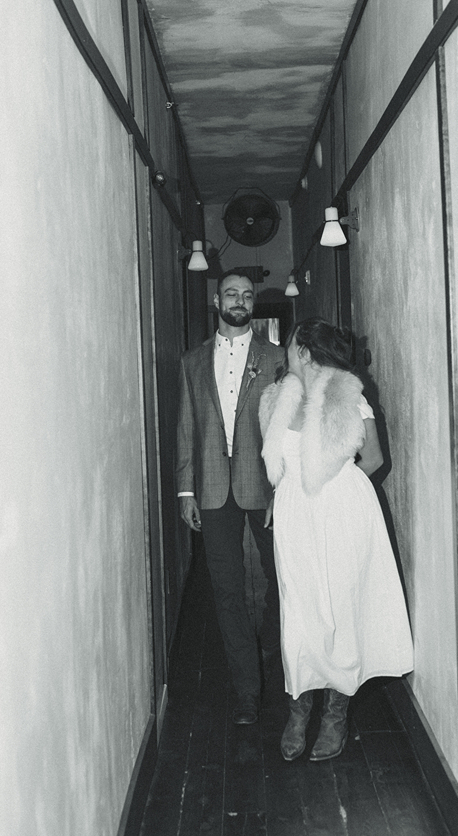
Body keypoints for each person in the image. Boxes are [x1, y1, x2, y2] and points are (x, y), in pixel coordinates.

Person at [259, 317, 414, 761]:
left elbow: (375, 459)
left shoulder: (349, 397)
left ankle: (336, 715)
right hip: (294, 520)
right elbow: (285, 466)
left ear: (305, 352)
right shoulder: (278, 399)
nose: (287, 353)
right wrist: (284, 495)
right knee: (299, 608)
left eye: (291, 346)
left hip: (343, 516)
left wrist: (332, 489)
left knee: (340, 607)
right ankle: (298, 709)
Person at [176, 270, 285, 725]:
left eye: (246, 295)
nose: (238, 301)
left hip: (266, 487)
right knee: (225, 591)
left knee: (282, 583)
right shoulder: (192, 362)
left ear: (252, 303)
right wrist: (186, 488)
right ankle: (246, 692)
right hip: (213, 489)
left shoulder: (277, 358)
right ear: (216, 300)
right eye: (230, 294)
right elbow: (186, 428)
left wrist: (286, 488)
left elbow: (289, 426)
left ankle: (280, 672)